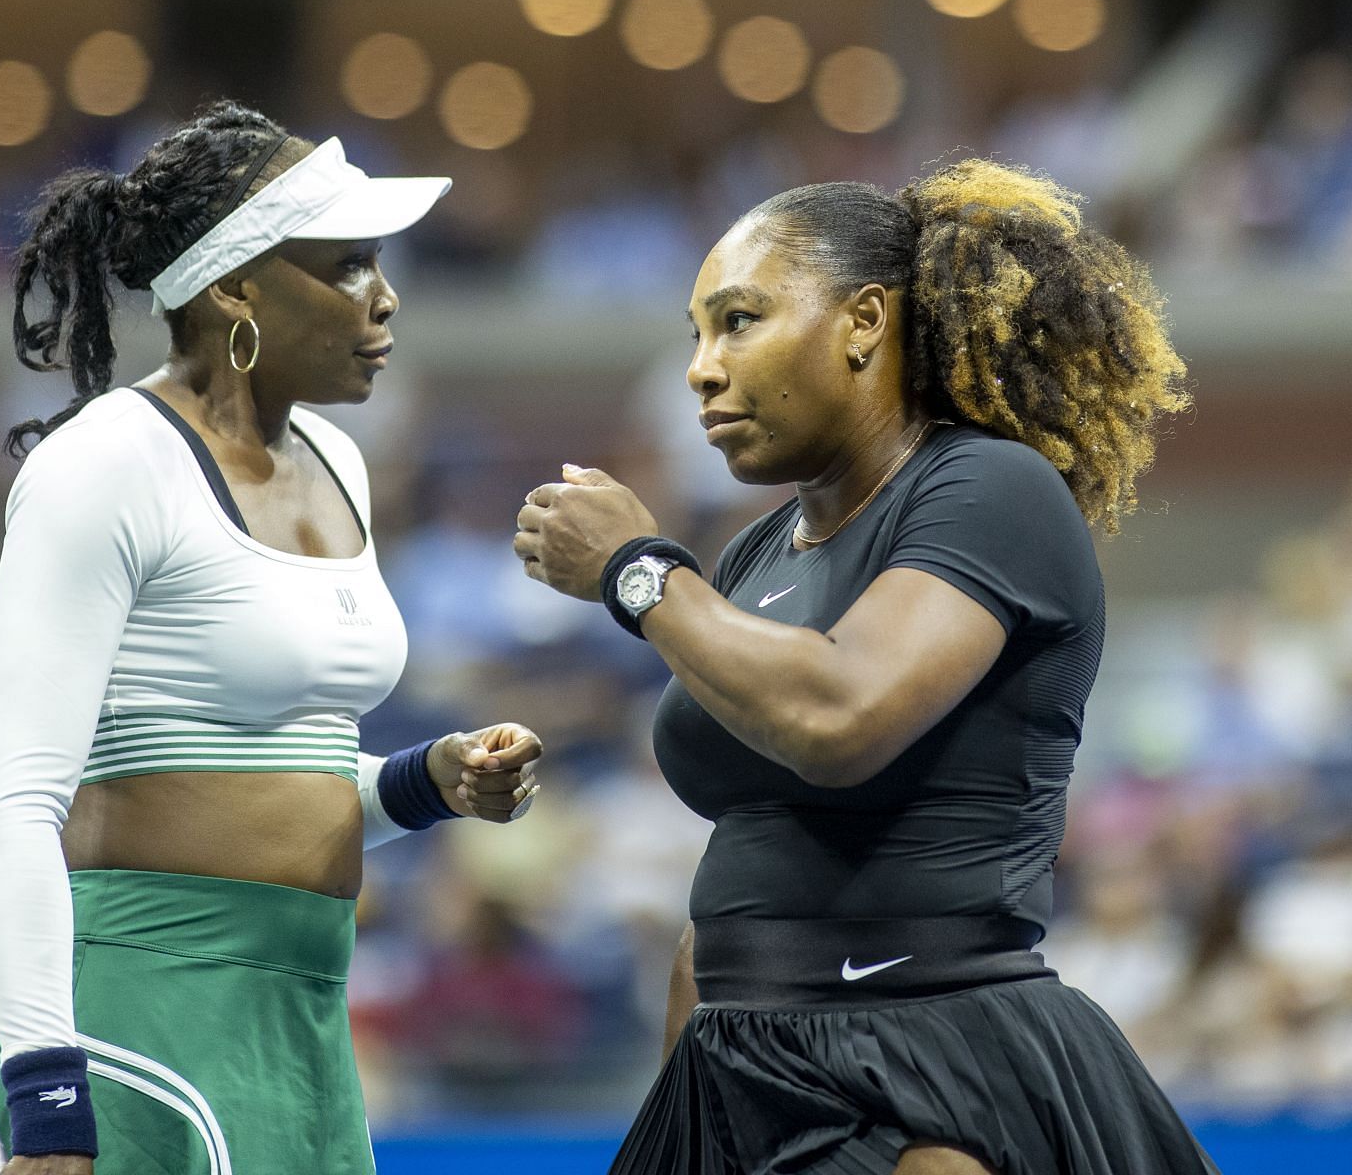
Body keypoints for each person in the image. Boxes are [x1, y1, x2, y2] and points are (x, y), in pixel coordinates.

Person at [514, 160, 1213, 1173]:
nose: (702, 368)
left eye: (740, 319)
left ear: (866, 321)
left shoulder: (988, 487)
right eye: (696, 333)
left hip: (931, 1073)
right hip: (734, 1069)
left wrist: (637, 569)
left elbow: (842, 716)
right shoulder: (756, 554)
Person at [0, 100, 543, 1175]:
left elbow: (262, 766)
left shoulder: (340, 463)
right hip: (136, 1030)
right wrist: (48, 1094)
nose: (385, 299)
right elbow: (13, 805)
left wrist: (422, 783)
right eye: (347, 265)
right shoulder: (106, 463)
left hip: (302, 1026)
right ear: (234, 287)